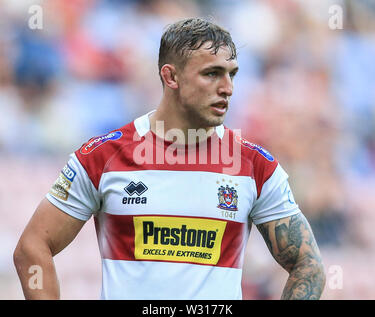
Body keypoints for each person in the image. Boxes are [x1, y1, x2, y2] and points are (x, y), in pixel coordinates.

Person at [13, 18, 325, 300]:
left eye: (232, 74)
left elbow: (308, 265)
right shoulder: (103, 157)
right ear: (171, 76)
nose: (227, 88)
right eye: (212, 74)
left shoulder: (255, 166)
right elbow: (32, 248)